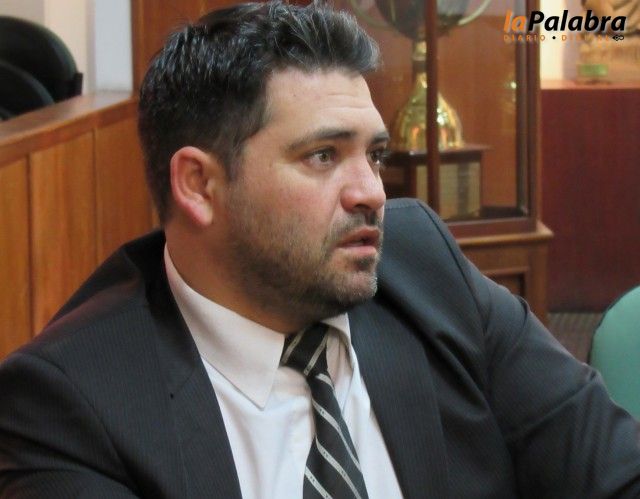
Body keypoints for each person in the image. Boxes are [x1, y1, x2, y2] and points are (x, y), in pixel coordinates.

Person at [1, 2, 639, 498]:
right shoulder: (70, 403)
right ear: (199, 184)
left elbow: (613, 470)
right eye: (322, 156)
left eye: (375, 154)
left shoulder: (421, 266)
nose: (372, 193)